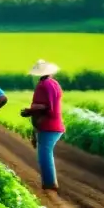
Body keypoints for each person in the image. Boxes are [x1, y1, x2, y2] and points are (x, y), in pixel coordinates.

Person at [21, 59, 65, 191]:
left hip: (48, 125)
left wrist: (30, 111)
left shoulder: (43, 85)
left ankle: (50, 183)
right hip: (55, 125)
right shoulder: (54, 84)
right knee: (46, 153)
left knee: (44, 155)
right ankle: (50, 182)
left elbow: (45, 107)